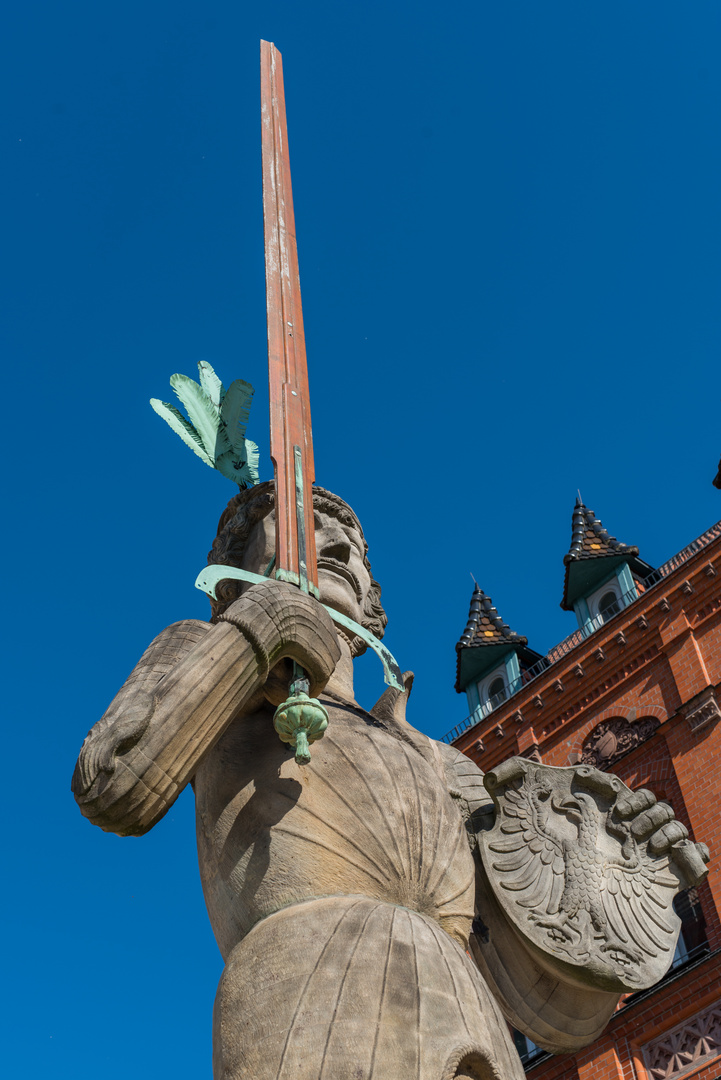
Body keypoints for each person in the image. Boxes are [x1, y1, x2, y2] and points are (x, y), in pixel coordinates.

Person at [72, 483, 699, 1080]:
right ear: (238, 572)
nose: (340, 545)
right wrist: (259, 631)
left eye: (352, 540)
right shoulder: (213, 648)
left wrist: (610, 874)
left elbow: (554, 1009)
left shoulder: (433, 758)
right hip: (311, 1001)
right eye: (302, 525)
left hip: (476, 1032)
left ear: (373, 592)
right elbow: (113, 781)